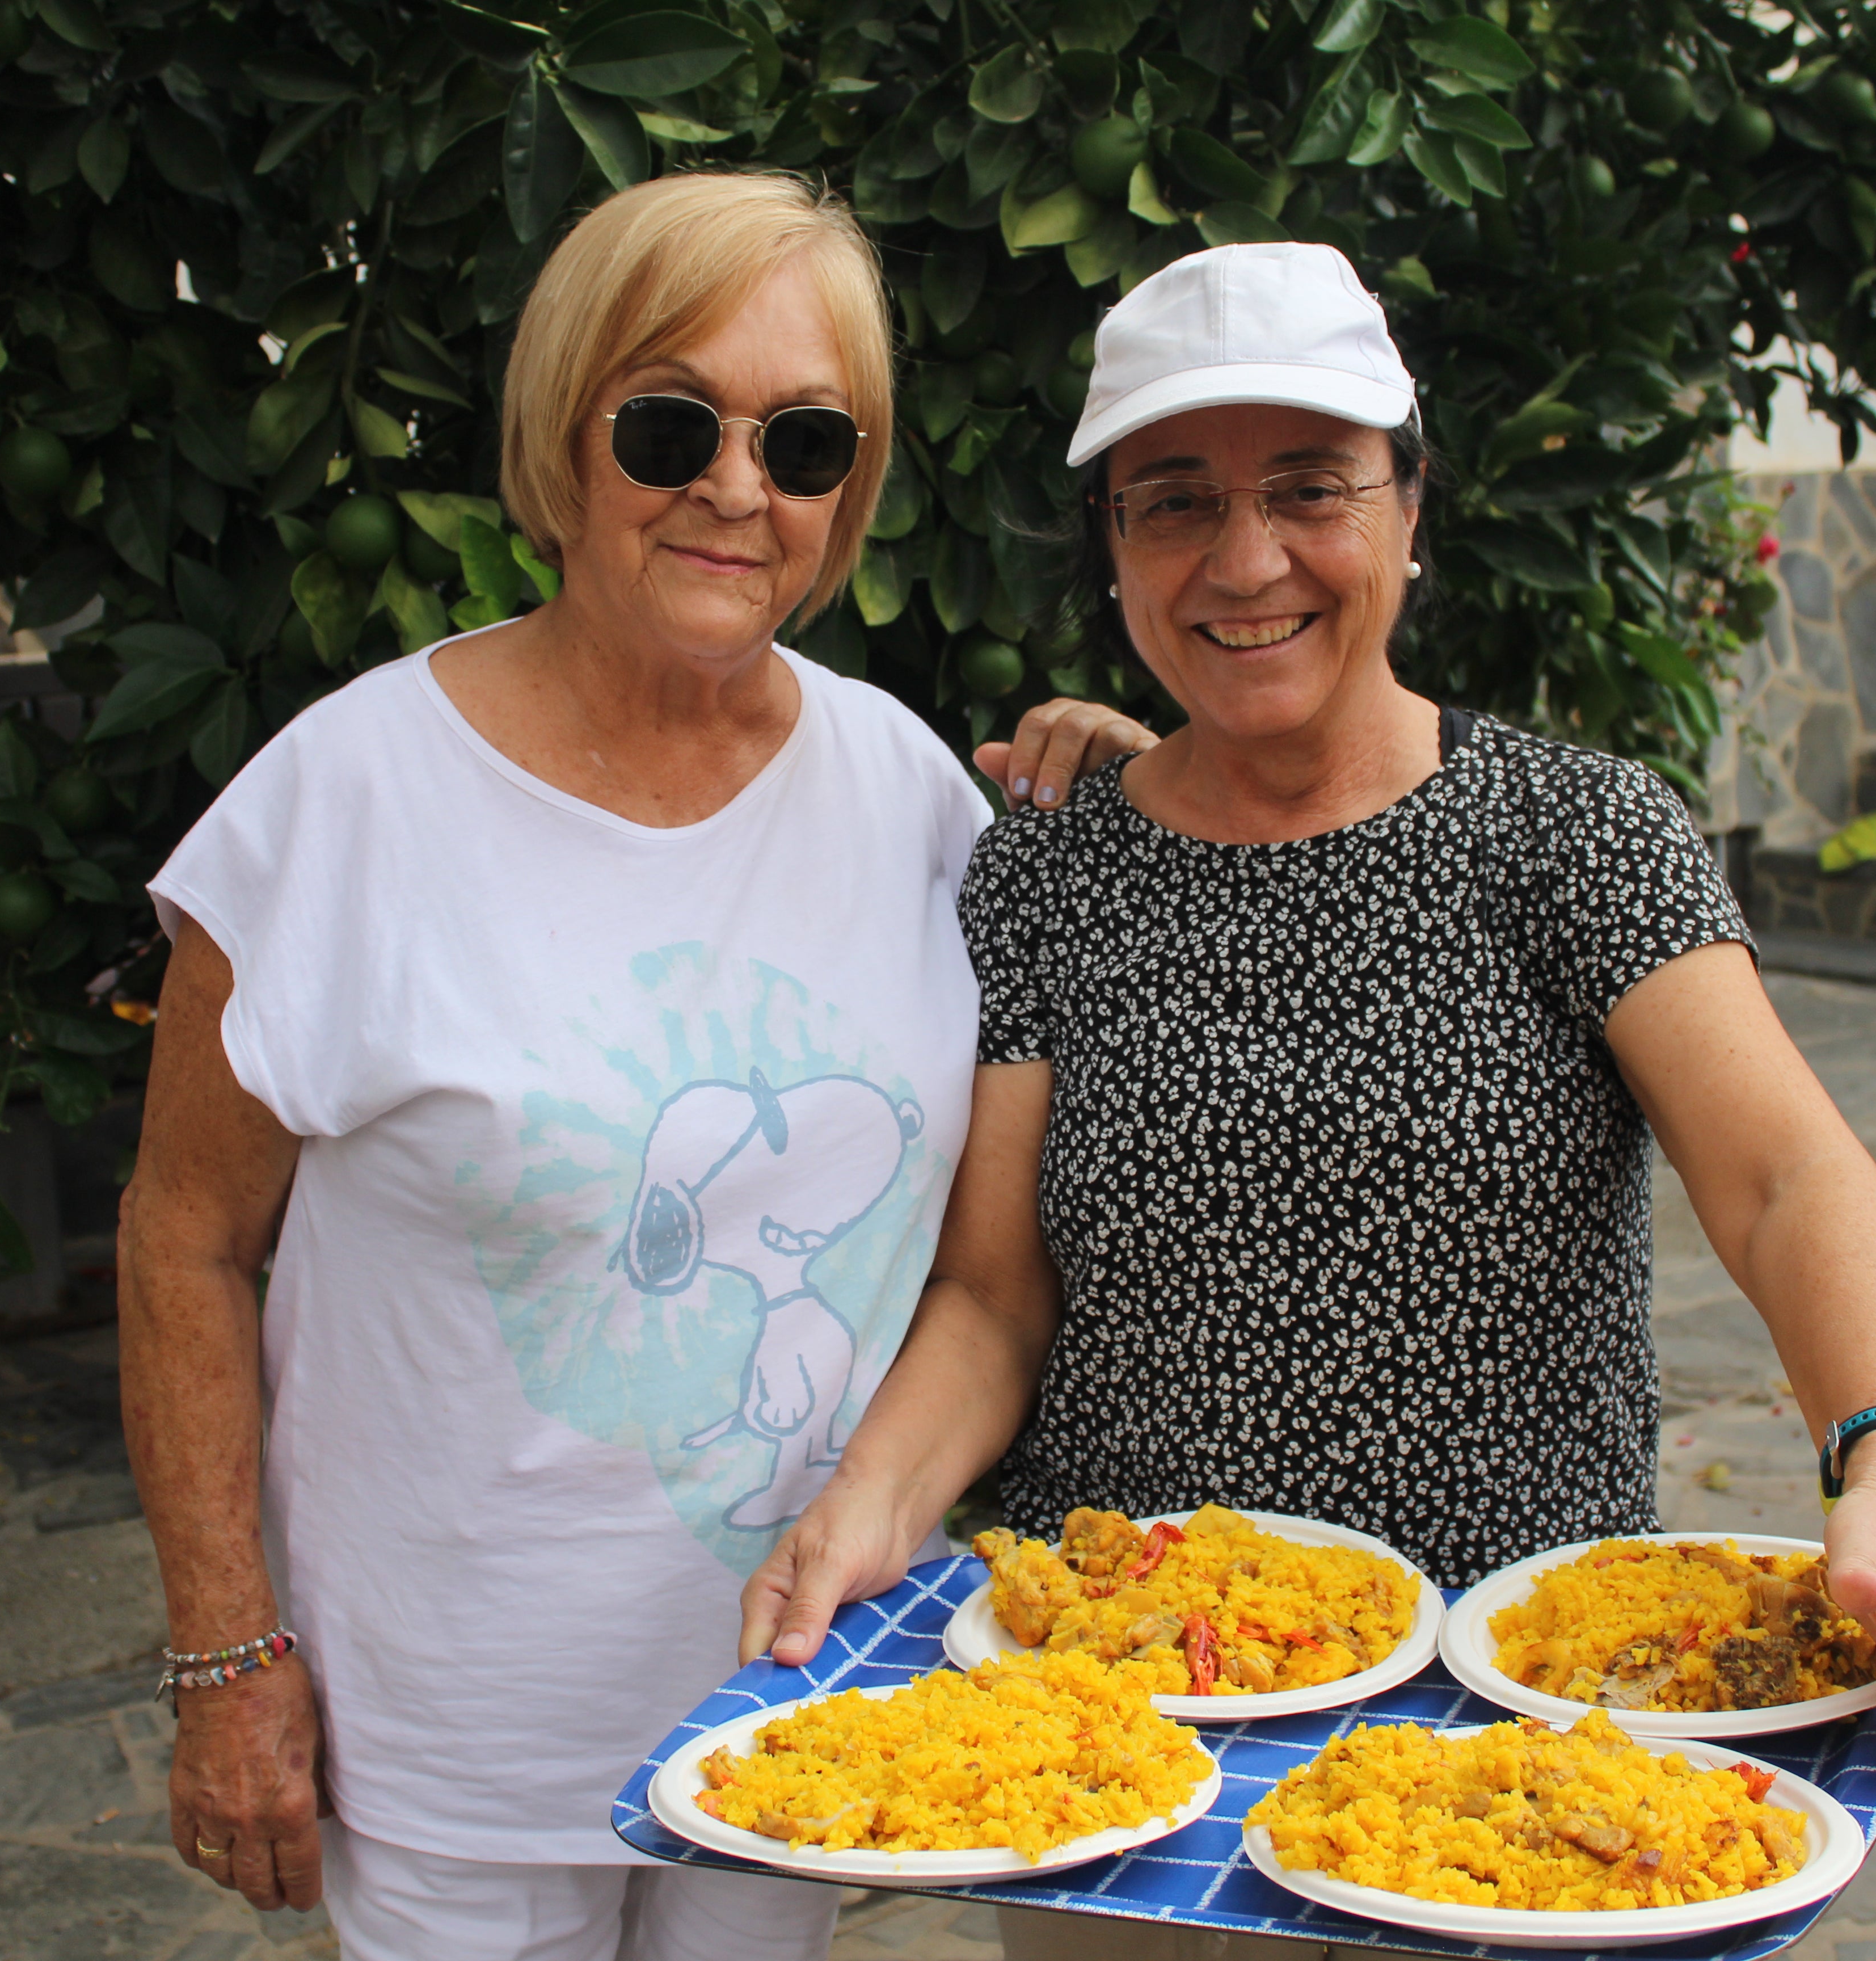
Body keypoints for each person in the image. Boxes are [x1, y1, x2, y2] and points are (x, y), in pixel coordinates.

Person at [740, 242, 1876, 1960]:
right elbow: (993, 1294)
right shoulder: (1046, 884)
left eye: (1311, 490)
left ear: (1408, 510)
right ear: (1116, 554)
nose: (1247, 562)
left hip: (1514, 1765)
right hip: (1133, 1759)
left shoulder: (1572, 836)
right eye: (1175, 504)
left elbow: (1781, 1177)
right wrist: (868, 1502)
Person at [117, 171, 1144, 1961]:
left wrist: (1160, 797)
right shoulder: (341, 801)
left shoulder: (911, 796)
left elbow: (1031, 1169)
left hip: (778, 1718)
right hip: (449, 1741)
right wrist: (226, 1651)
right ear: (562, 434)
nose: (738, 488)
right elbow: (182, 1240)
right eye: (672, 422)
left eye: (806, 441)